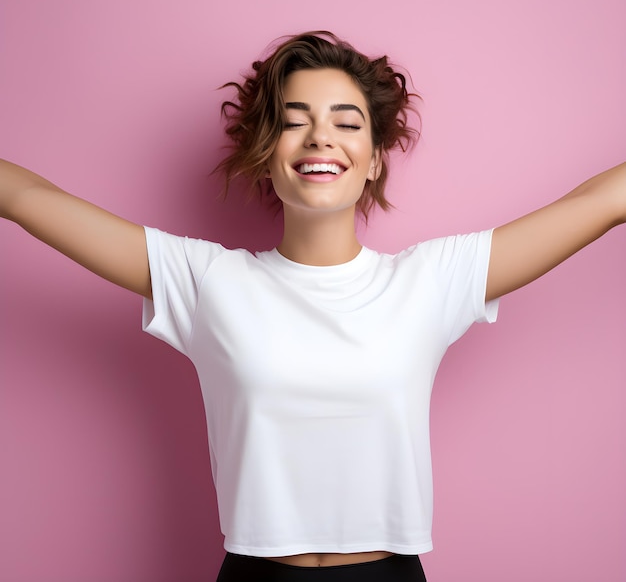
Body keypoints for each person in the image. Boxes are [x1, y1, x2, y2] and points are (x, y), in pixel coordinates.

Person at [1, 31, 624, 582]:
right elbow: (27, 195)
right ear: (267, 153)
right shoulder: (206, 281)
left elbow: (600, 202)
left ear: (376, 157)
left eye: (347, 122)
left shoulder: (432, 280)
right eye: (295, 120)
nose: (321, 135)